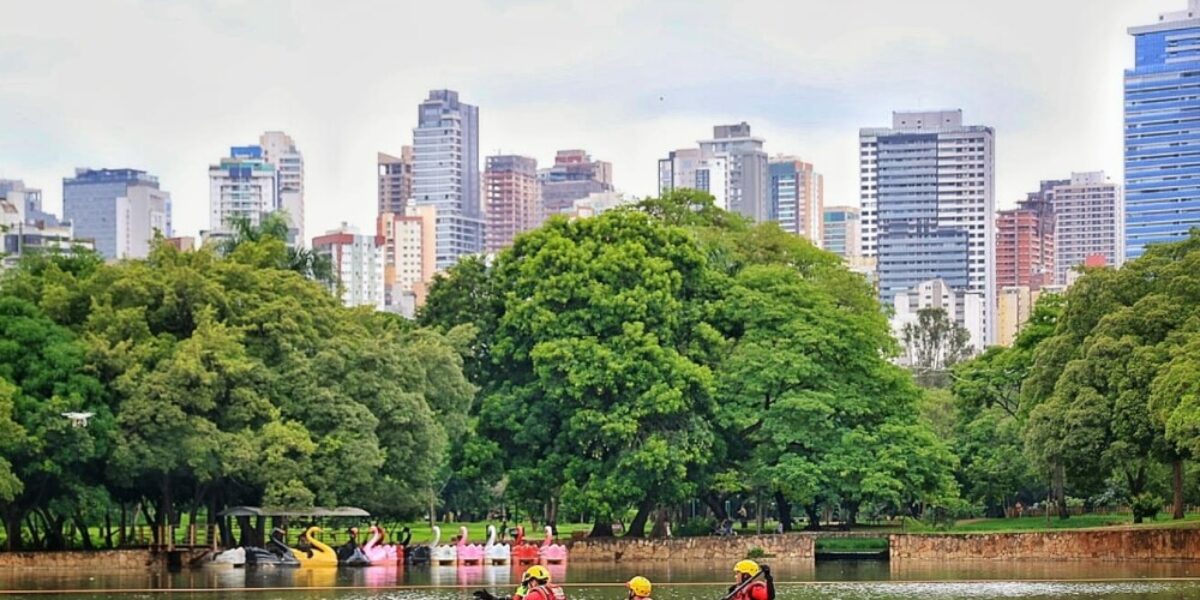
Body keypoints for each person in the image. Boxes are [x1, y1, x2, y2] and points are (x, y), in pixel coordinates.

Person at [474, 565, 565, 600]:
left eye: (527, 583)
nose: (527, 587)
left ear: (533, 581)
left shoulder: (535, 595)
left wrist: (519, 594)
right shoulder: (557, 590)